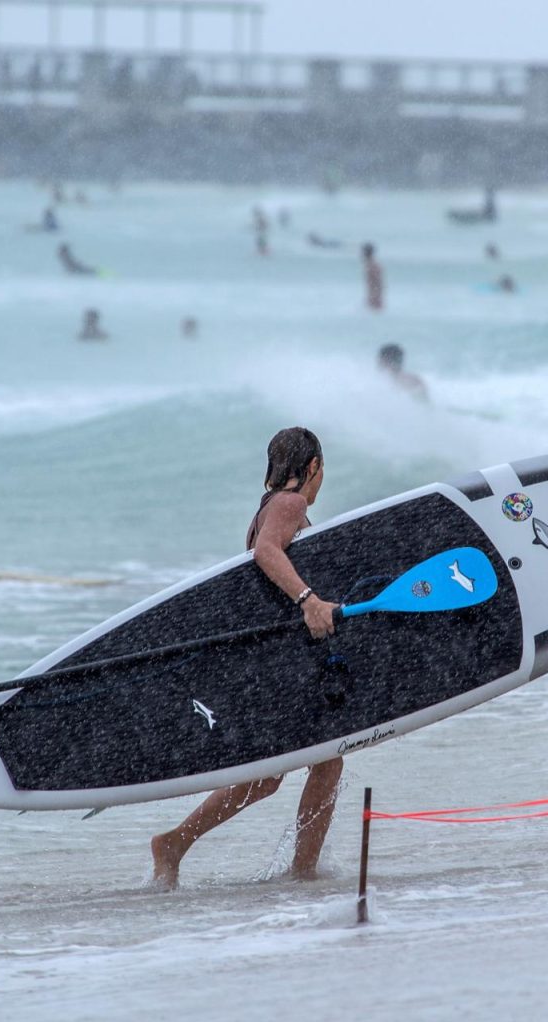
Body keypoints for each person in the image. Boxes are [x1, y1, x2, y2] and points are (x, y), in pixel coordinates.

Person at [150, 427, 343, 890]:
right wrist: (309, 600)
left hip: (276, 658)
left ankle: (178, 843)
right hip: (281, 662)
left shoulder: (268, 506)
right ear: (314, 466)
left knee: (293, 768)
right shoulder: (289, 505)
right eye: (322, 470)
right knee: (322, 758)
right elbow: (265, 553)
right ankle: (300, 870)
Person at [362, 243, 384, 312]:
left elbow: (377, 284)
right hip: (373, 298)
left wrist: (375, 298)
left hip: (374, 299)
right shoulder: (370, 265)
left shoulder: (372, 266)